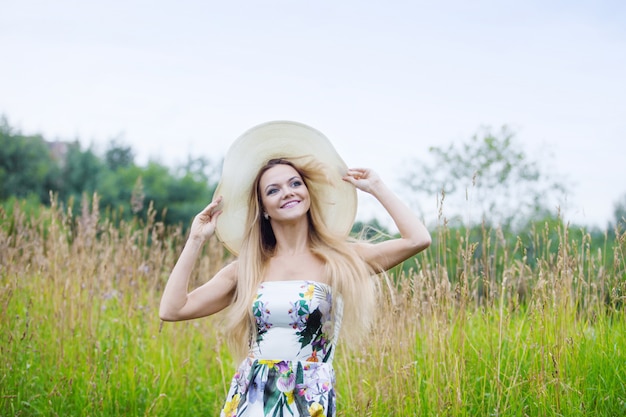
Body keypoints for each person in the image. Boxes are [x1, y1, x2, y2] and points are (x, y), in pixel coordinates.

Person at [159, 121, 431, 417]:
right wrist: (195, 239)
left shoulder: (338, 260)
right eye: (273, 190)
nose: (287, 192)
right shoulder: (247, 269)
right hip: (252, 396)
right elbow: (172, 309)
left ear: (307, 192)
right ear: (263, 207)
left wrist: (377, 187)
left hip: (308, 397)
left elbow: (417, 239)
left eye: (295, 183)